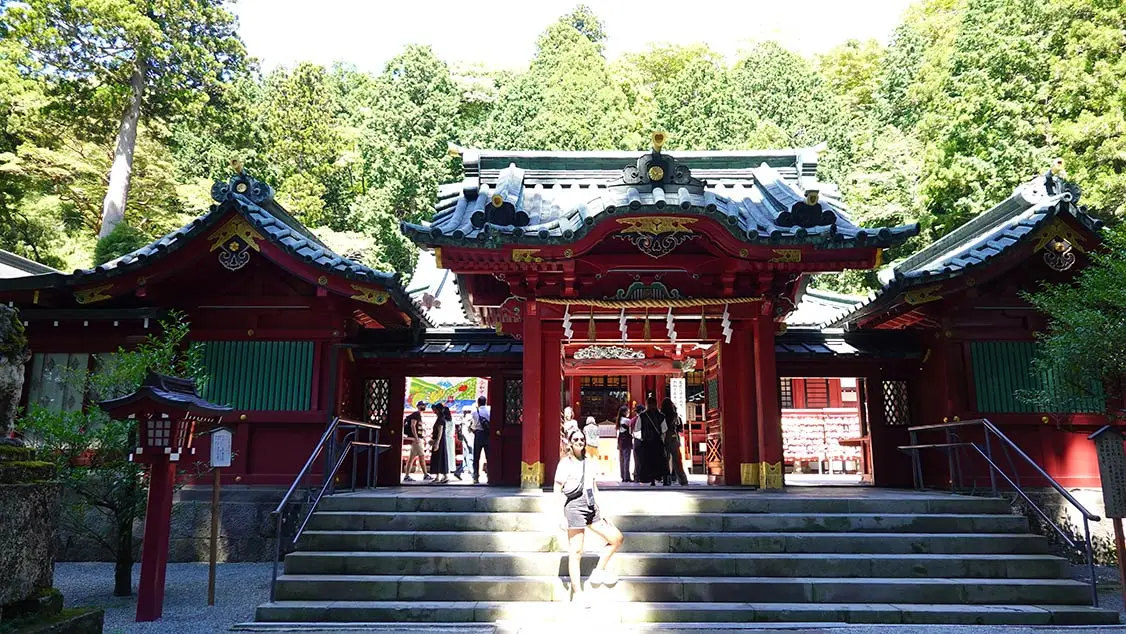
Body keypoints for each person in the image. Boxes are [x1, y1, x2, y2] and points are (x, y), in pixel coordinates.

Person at [554, 428, 624, 603]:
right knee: (576, 550)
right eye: (576, 439)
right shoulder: (565, 463)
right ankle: (577, 592)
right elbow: (557, 489)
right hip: (574, 507)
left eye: (582, 439)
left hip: (591, 506)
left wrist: (603, 509)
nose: (579, 441)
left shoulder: (589, 462)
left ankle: (599, 570)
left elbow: (593, 486)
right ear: (570, 442)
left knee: (616, 538)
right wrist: (560, 515)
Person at [636, 396, 668, 486]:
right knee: (658, 461)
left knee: (648, 461)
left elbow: (637, 429)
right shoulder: (661, 416)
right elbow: (664, 429)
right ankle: (659, 477)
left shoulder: (642, 416)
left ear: (646, 404)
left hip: (646, 442)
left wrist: (641, 438)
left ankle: (651, 480)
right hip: (657, 442)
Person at [660, 398, 689, 486]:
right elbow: (680, 428)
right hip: (674, 437)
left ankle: (666, 479)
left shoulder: (661, 415)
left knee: (665, 459)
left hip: (664, 438)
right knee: (677, 460)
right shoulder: (675, 415)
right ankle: (683, 480)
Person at [403, 401, 430, 482]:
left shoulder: (418, 415)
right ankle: (425, 474)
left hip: (417, 439)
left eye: (424, 405)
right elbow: (413, 426)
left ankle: (407, 475)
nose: (424, 406)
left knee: (411, 458)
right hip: (417, 440)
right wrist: (417, 438)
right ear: (418, 406)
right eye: (423, 405)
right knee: (421, 456)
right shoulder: (416, 414)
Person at [471, 396, 490, 484]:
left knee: (476, 456)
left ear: (478, 402)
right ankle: (490, 476)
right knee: (489, 456)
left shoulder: (475, 411)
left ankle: (476, 476)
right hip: (487, 434)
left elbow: (474, 424)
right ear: (485, 402)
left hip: (478, 434)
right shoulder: (489, 410)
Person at [429, 403, 450, 483]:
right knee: (440, 457)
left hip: (439, 441)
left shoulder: (441, 419)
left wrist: (437, 442)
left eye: (435, 409)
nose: (434, 411)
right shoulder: (440, 418)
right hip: (439, 440)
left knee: (438, 457)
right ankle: (444, 476)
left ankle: (439, 476)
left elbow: (440, 431)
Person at [455, 406, 474, 480]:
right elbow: (465, 431)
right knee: (470, 456)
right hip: (468, 440)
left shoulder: (463, 419)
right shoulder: (468, 419)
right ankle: (472, 473)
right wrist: (469, 441)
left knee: (466, 456)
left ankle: (458, 471)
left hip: (465, 440)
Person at [616, 405, 633, 483]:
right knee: (627, 459)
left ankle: (623, 476)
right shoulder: (627, 420)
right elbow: (632, 429)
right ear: (624, 412)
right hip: (626, 440)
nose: (628, 413)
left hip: (620, 441)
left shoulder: (618, 420)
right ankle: (627, 477)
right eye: (628, 411)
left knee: (622, 459)